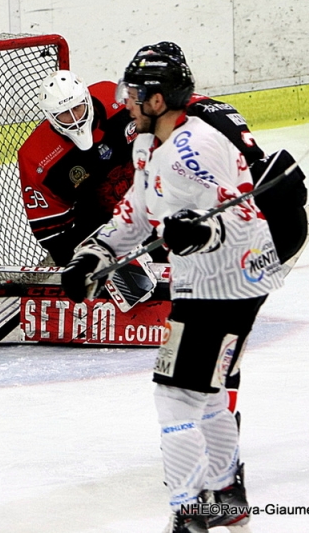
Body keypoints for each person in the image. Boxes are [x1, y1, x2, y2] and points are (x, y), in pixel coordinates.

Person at [61, 45, 286, 532]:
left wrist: (202, 231)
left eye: (134, 94)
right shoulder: (147, 144)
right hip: (212, 278)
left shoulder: (198, 145)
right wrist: (94, 253)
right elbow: (136, 211)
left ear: (158, 100)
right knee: (205, 390)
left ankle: (189, 511)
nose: (125, 102)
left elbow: (239, 212)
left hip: (227, 279)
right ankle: (226, 495)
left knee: (175, 395)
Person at [18, 70, 139, 267]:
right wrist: (80, 263)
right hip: (103, 230)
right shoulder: (36, 159)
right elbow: (54, 235)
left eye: (77, 107)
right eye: (64, 114)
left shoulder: (118, 101)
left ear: (87, 99)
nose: (75, 119)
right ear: (50, 116)